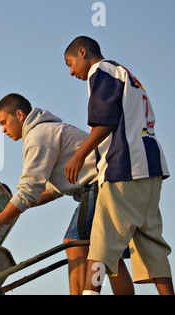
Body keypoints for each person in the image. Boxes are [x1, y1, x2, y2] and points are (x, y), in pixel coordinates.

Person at [0, 93, 134, 295]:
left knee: (74, 242)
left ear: (19, 115)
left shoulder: (38, 136)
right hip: (115, 183)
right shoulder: (49, 131)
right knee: (111, 256)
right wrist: (11, 209)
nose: (3, 129)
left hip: (100, 184)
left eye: (4, 122)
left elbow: (28, 191)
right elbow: (51, 190)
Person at [63, 36, 173, 295]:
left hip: (123, 167)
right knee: (150, 243)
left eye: (70, 63)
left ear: (82, 52)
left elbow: (106, 120)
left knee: (101, 244)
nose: (71, 72)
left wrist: (79, 156)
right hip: (151, 169)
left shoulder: (101, 71)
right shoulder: (127, 75)